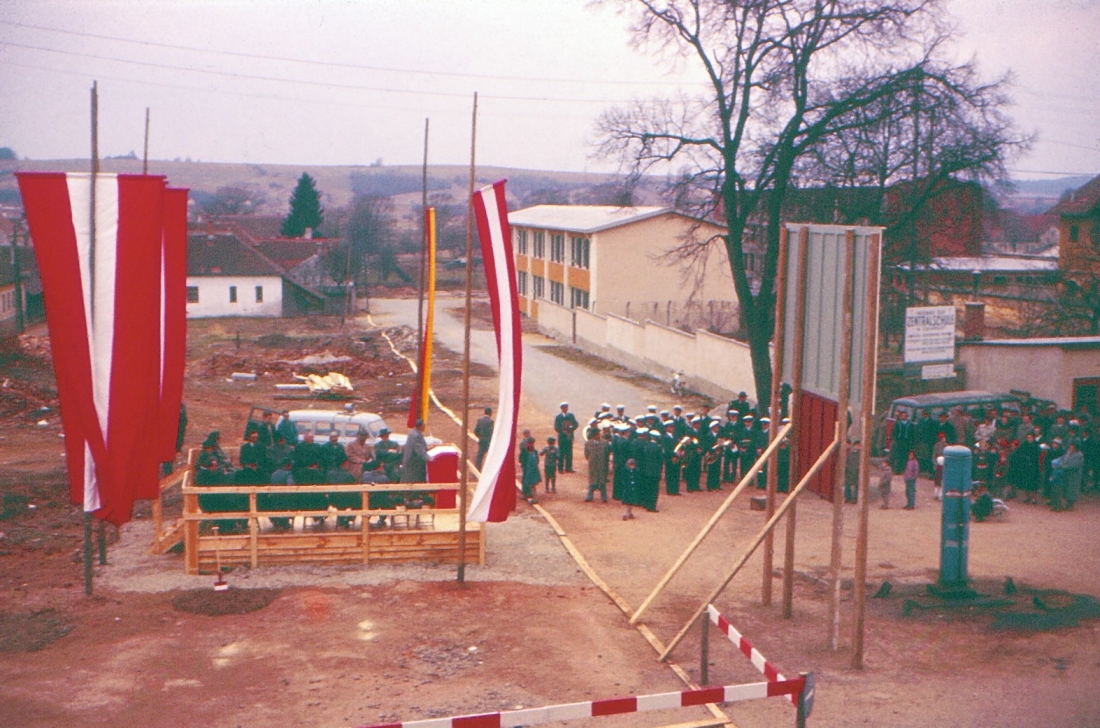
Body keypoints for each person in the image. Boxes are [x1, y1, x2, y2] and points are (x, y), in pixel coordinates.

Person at [1050, 440, 1084, 512]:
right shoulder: (1068, 452)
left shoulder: (1079, 455)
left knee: (1072, 490)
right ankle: (1065, 503)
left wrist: (1065, 466)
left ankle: (1070, 504)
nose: (1070, 447)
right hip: (1065, 474)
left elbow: (1075, 465)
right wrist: (1059, 463)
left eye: (1072, 446)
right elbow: (1062, 459)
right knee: (1065, 489)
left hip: (1073, 475)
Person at [584, 427, 611, 502]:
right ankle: (590, 496)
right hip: (593, 464)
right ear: (593, 435)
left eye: (599, 434)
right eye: (597, 434)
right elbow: (586, 454)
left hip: (602, 464)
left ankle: (604, 497)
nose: (598, 436)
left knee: (602, 480)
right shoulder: (588, 443)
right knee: (592, 479)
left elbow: (607, 453)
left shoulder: (605, 443)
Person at [401, 419, 430, 484]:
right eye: (424, 426)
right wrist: (430, 458)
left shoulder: (413, 433)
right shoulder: (416, 436)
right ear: (420, 426)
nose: (425, 427)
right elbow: (420, 450)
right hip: (413, 464)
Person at [554, 402, 579, 473]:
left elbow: (576, 424)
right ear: (561, 408)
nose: (565, 409)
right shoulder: (558, 417)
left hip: (569, 437)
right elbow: (556, 427)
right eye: (563, 408)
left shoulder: (571, 416)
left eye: (566, 407)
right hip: (562, 437)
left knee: (569, 453)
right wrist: (563, 432)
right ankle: (560, 468)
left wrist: (571, 429)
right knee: (561, 453)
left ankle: (568, 467)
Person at [520, 438, 540, 503]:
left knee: (530, 484)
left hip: (529, 470)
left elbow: (521, 459)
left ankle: (530, 496)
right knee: (531, 485)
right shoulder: (534, 452)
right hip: (532, 470)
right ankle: (531, 495)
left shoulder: (526, 451)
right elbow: (537, 461)